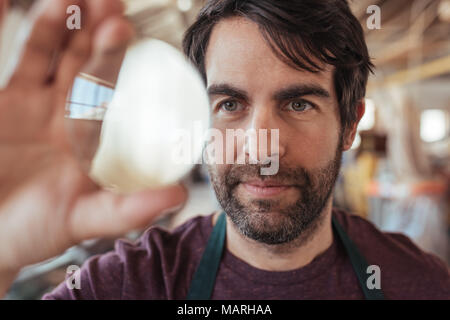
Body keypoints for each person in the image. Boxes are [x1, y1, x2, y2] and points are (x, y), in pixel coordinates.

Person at [0, 0, 448, 300]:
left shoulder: (421, 285)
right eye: (230, 104)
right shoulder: (131, 284)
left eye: (298, 103)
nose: (260, 146)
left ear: (349, 124)